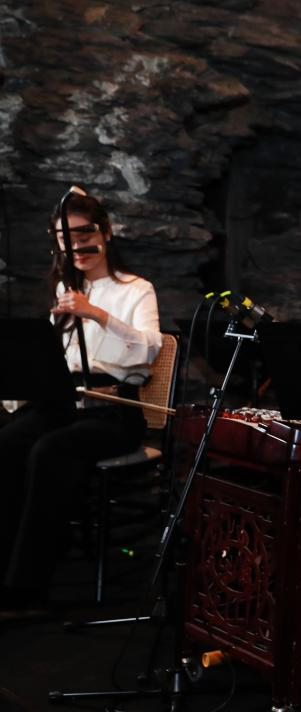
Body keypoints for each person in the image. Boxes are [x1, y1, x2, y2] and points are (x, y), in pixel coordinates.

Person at [0, 190, 162, 614]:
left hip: (116, 411)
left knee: (50, 450)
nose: (75, 249)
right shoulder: (65, 287)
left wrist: (96, 313)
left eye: (84, 236)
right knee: (8, 444)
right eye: (64, 240)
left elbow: (148, 349)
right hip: (65, 402)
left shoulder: (136, 289)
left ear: (105, 232)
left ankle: (27, 585)